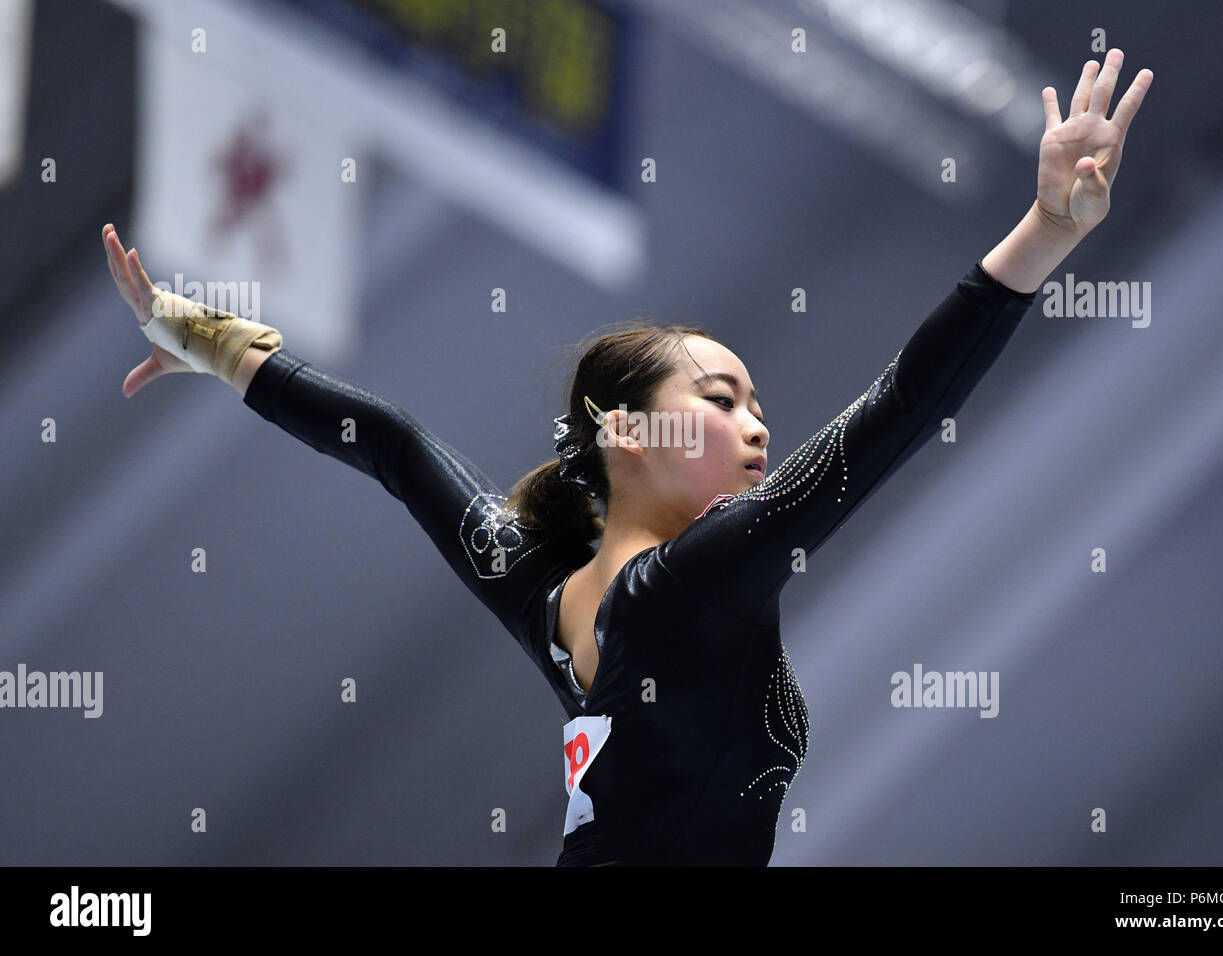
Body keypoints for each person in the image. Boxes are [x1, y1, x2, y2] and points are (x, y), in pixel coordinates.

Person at [103, 52, 1151, 865]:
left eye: (756, 406)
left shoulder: (545, 585)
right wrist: (1045, 230)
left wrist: (194, 332)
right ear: (627, 430)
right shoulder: (693, 581)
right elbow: (897, 413)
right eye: (722, 397)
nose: (758, 428)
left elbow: (389, 444)